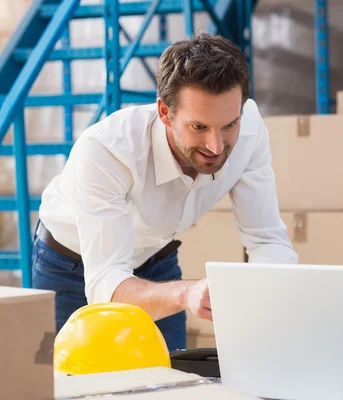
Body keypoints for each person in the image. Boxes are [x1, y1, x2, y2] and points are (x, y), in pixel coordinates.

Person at [32, 33, 297, 351]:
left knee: (171, 379)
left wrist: (270, 299)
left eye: (229, 125)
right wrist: (186, 293)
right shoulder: (107, 151)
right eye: (199, 127)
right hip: (71, 265)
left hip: (156, 261)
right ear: (164, 113)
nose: (216, 146)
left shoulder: (250, 129)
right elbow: (106, 285)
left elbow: (267, 240)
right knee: (68, 386)